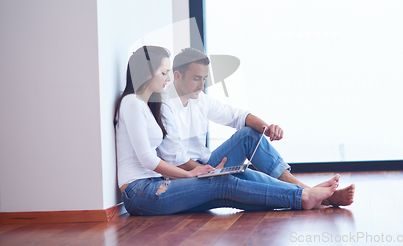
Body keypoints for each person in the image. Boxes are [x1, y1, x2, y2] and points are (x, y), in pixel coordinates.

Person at [115, 45, 340, 215]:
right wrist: (192, 173)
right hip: (143, 190)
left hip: (159, 183)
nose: (166, 78)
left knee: (239, 179)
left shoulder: (147, 104)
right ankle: (304, 196)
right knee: (225, 183)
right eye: (163, 72)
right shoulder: (137, 103)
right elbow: (149, 159)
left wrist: (267, 127)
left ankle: (304, 194)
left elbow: (237, 116)